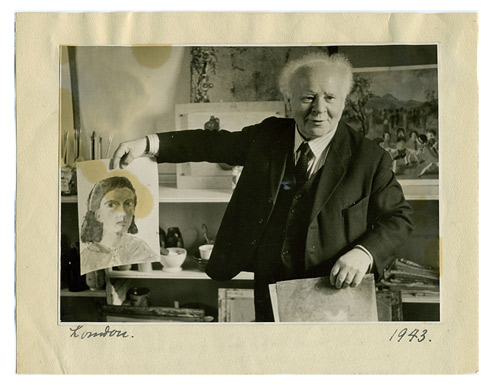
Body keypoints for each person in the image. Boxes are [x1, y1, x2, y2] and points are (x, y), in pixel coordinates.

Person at [111, 53, 414, 322]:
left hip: (334, 295)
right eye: (308, 98)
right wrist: (148, 144)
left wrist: (364, 253)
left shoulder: (370, 158)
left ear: (344, 101)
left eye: (330, 98)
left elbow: (398, 219)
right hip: (270, 286)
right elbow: (213, 143)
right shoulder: (269, 136)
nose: (319, 109)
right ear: (289, 100)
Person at [80, 176, 159, 274]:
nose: (122, 212)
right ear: (98, 215)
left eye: (128, 204)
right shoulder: (88, 256)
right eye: (111, 205)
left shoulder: (140, 249)